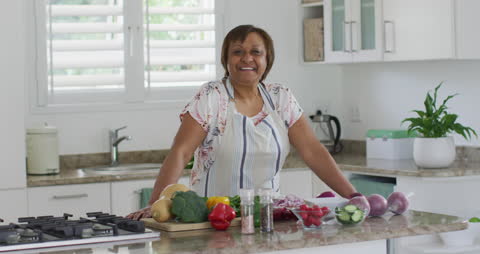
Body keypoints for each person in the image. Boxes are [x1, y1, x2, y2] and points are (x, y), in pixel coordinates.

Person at [127, 24, 356, 220]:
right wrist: (154, 204)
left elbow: (313, 151)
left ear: (268, 59)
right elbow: (181, 152)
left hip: (267, 219)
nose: (247, 58)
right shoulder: (211, 97)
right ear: (226, 59)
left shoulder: (281, 98)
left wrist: (353, 197)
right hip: (214, 220)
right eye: (237, 52)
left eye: (256, 52)